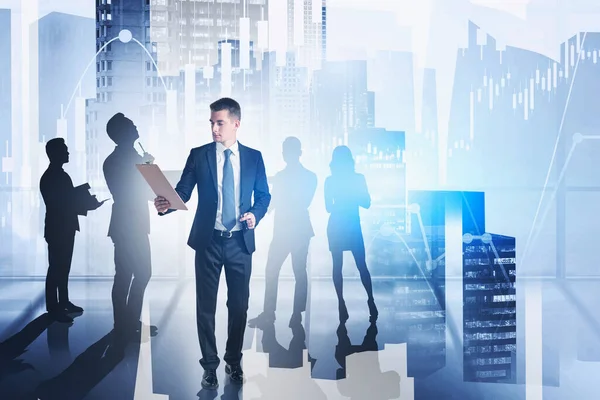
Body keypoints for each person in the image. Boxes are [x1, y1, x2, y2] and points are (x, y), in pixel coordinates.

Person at [154, 97, 271, 389]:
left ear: (236, 123)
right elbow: (183, 191)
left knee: (239, 306)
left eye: (220, 123)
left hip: (240, 243)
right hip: (208, 241)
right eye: (211, 123)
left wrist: (255, 216)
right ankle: (209, 366)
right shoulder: (199, 155)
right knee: (205, 307)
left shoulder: (254, 157)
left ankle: (233, 361)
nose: (214, 129)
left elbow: (264, 196)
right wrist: (165, 204)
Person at [103, 113, 157, 352]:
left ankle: (126, 323)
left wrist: (147, 167)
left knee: (128, 274)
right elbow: (142, 191)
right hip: (129, 223)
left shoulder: (121, 159)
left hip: (127, 223)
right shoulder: (122, 160)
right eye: (130, 125)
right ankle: (125, 325)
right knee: (133, 274)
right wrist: (148, 168)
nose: (136, 125)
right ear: (123, 133)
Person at [249, 137, 317, 328]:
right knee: (286, 272)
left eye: (287, 150)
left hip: (293, 230)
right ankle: (283, 314)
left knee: (293, 272)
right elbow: (276, 202)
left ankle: (291, 314)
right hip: (291, 230)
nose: (285, 154)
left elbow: (297, 202)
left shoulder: (299, 177)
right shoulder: (305, 177)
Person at [40, 138, 104, 323]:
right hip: (58, 227)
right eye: (65, 150)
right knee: (56, 268)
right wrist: (86, 204)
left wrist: (84, 203)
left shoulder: (58, 175)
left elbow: (65, 201)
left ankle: (63, 302)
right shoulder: (54, 176)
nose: (68, 153)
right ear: (56, 153)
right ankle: (54, 307)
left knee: (63, 267)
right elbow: (61, 204)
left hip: (63, 226)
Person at [324, 145, 378, 322]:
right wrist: (351, 196)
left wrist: (342, 198)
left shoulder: (330, 181)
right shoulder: (358, 179)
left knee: (337, 266)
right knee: (361, 265)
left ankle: (342, 303)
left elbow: (329, 207)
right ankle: (370, 301)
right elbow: (367, 203)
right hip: (352, 224)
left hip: (338, 224)